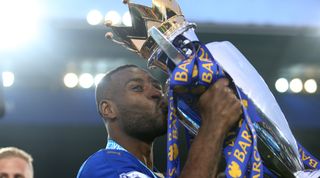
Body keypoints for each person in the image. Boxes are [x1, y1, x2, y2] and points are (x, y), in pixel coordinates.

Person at [77, 64, 242, 178]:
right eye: (137, 88)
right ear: (108, 109)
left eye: (157, 86)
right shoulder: (105, 166)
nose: (156, 93)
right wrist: (213, 126)